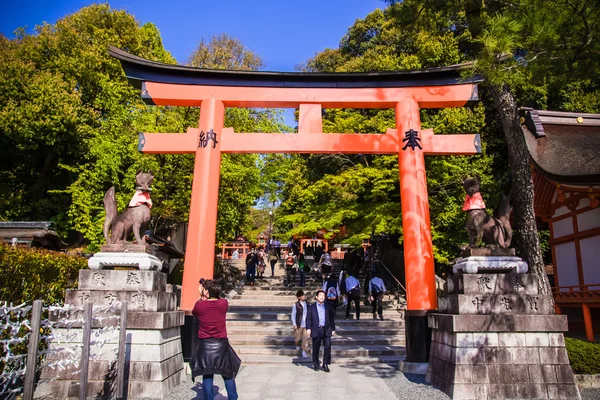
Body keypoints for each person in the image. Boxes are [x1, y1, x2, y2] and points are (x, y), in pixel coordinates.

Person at [191, 279, 241, 400]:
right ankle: (233, 398)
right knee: (228, 374)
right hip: (221, 344)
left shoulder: (200, 305)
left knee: (207, 375)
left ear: (207, 291)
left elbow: (195, 313)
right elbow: (219, 298)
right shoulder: (223, 303)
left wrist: (201, 295)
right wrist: (208, 291)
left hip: (205, 344)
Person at [306, 289, 335, 372]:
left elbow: (331, 319)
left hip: (327, 329)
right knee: (316, 348)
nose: (322, 297)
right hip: (316, 329)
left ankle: (325, 364)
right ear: (316, 297)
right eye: (320, 295)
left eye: (323, 296)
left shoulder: (328, 307)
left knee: (328, 346)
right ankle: (315, 364)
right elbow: (308, 318)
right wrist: (308, 328)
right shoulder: (312, 307)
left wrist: (333, 328)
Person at [291, 289, 309, 358]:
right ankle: (298, 345)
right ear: (299, 297)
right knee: (297, 339)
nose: (304, 296)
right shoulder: (296, 305)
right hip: (299, 324)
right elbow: (293, 314)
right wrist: (294, 323)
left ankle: (304, 351)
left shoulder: (307, 304)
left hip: (306, 324)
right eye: (302, 295)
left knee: (305, 339)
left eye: (304, 295)